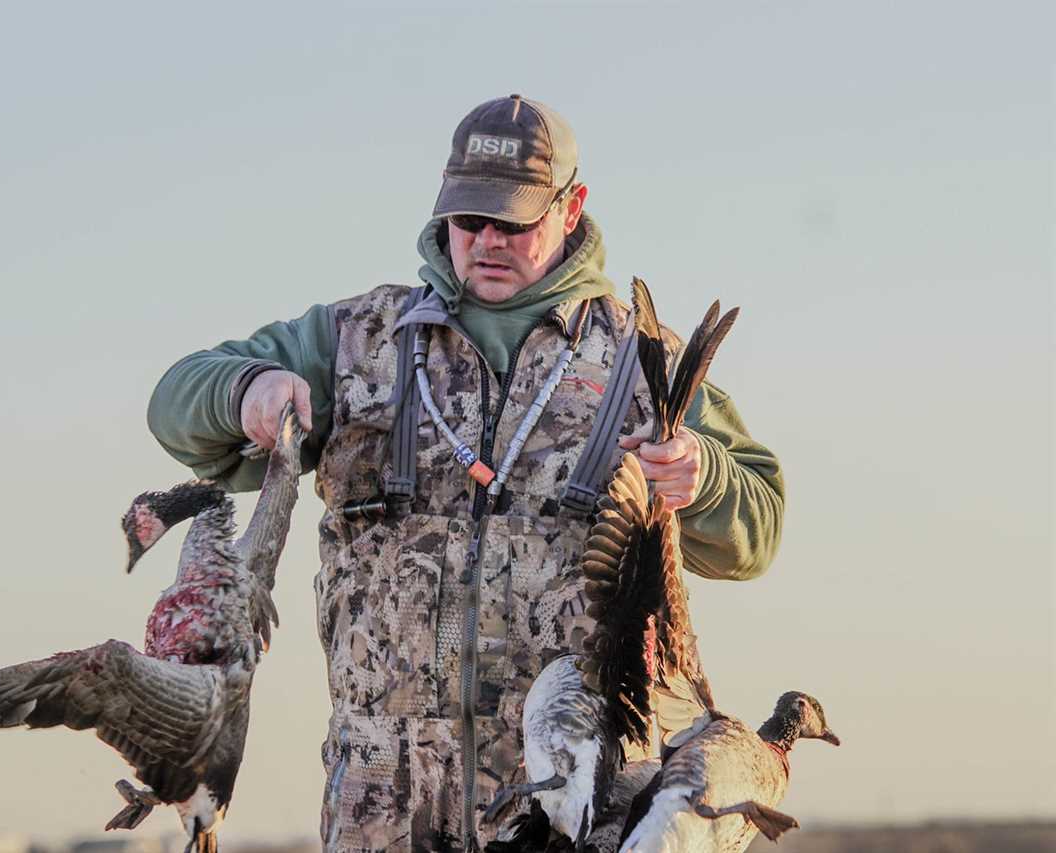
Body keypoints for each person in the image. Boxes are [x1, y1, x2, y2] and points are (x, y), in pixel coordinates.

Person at [147, 95, 785, 852]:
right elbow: (175, 398)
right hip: (382, 809)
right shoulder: (355, 342)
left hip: (570, 812)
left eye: (512, 221)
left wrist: (702, 476)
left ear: (571, 205)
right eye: (467, 218)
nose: (486, 239)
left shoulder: (640, 361)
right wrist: (244, 390)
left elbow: (759, 524)